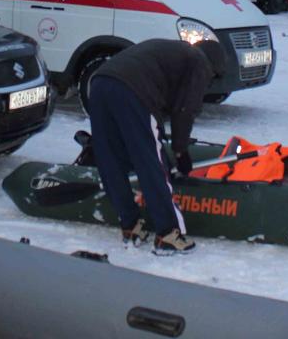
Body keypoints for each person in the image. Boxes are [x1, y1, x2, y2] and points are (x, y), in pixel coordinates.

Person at [87, 39, 226, 255]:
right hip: (133, 90)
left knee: (110, 159)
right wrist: (180, 151)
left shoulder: (176, 52)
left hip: (99, 83)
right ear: (214, 65)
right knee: (150, 162)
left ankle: (130, 225)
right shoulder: (199, 62)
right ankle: (168, 233)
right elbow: (184, 110)